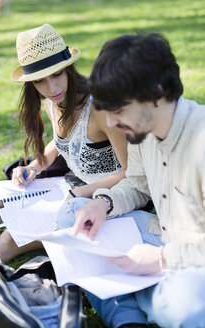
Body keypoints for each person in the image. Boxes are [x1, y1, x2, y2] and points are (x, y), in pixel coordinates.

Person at [57, 32, 205, 328]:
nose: (111, 124)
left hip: (193, 255)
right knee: (73, 215)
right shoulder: (140, 133)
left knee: (183, 311)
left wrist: (162, 259)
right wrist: (104, 203)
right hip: (161, 234)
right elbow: (137, 185)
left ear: (157, 94)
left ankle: (133, 299)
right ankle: (130, 316)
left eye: (119, 111)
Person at [0, 24, 127, 263]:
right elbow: (62, 141)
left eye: (57, 75)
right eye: (40, 81)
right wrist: (34, 167)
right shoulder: (53, 100)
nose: (51, 88)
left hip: (106, 197)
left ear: (68, 68)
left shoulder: (100, 108)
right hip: (72, 187)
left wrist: (80, 192)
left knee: (11, 238)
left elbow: (132, 173)